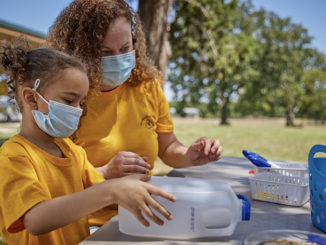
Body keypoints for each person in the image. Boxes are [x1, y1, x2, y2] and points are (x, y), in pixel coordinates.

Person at [47, 0, 223, 226]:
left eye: (125, 48)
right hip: (87, 223)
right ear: (79, 52)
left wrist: (190, 155)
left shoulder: (147, 86)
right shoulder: (66, 99)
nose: (118, 59)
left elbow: (167, 147)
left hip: (141, 214)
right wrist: (105, 172)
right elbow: (51, 177)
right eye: (105, 52)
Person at [0, 40, 176, 245]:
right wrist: (111, 191)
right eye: (69, 100)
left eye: (81, 102)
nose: (78, 110)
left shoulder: (71, 150)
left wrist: (131, 186)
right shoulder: (14, 156)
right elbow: (35, 219)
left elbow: (101, 187)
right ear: (31, 98)